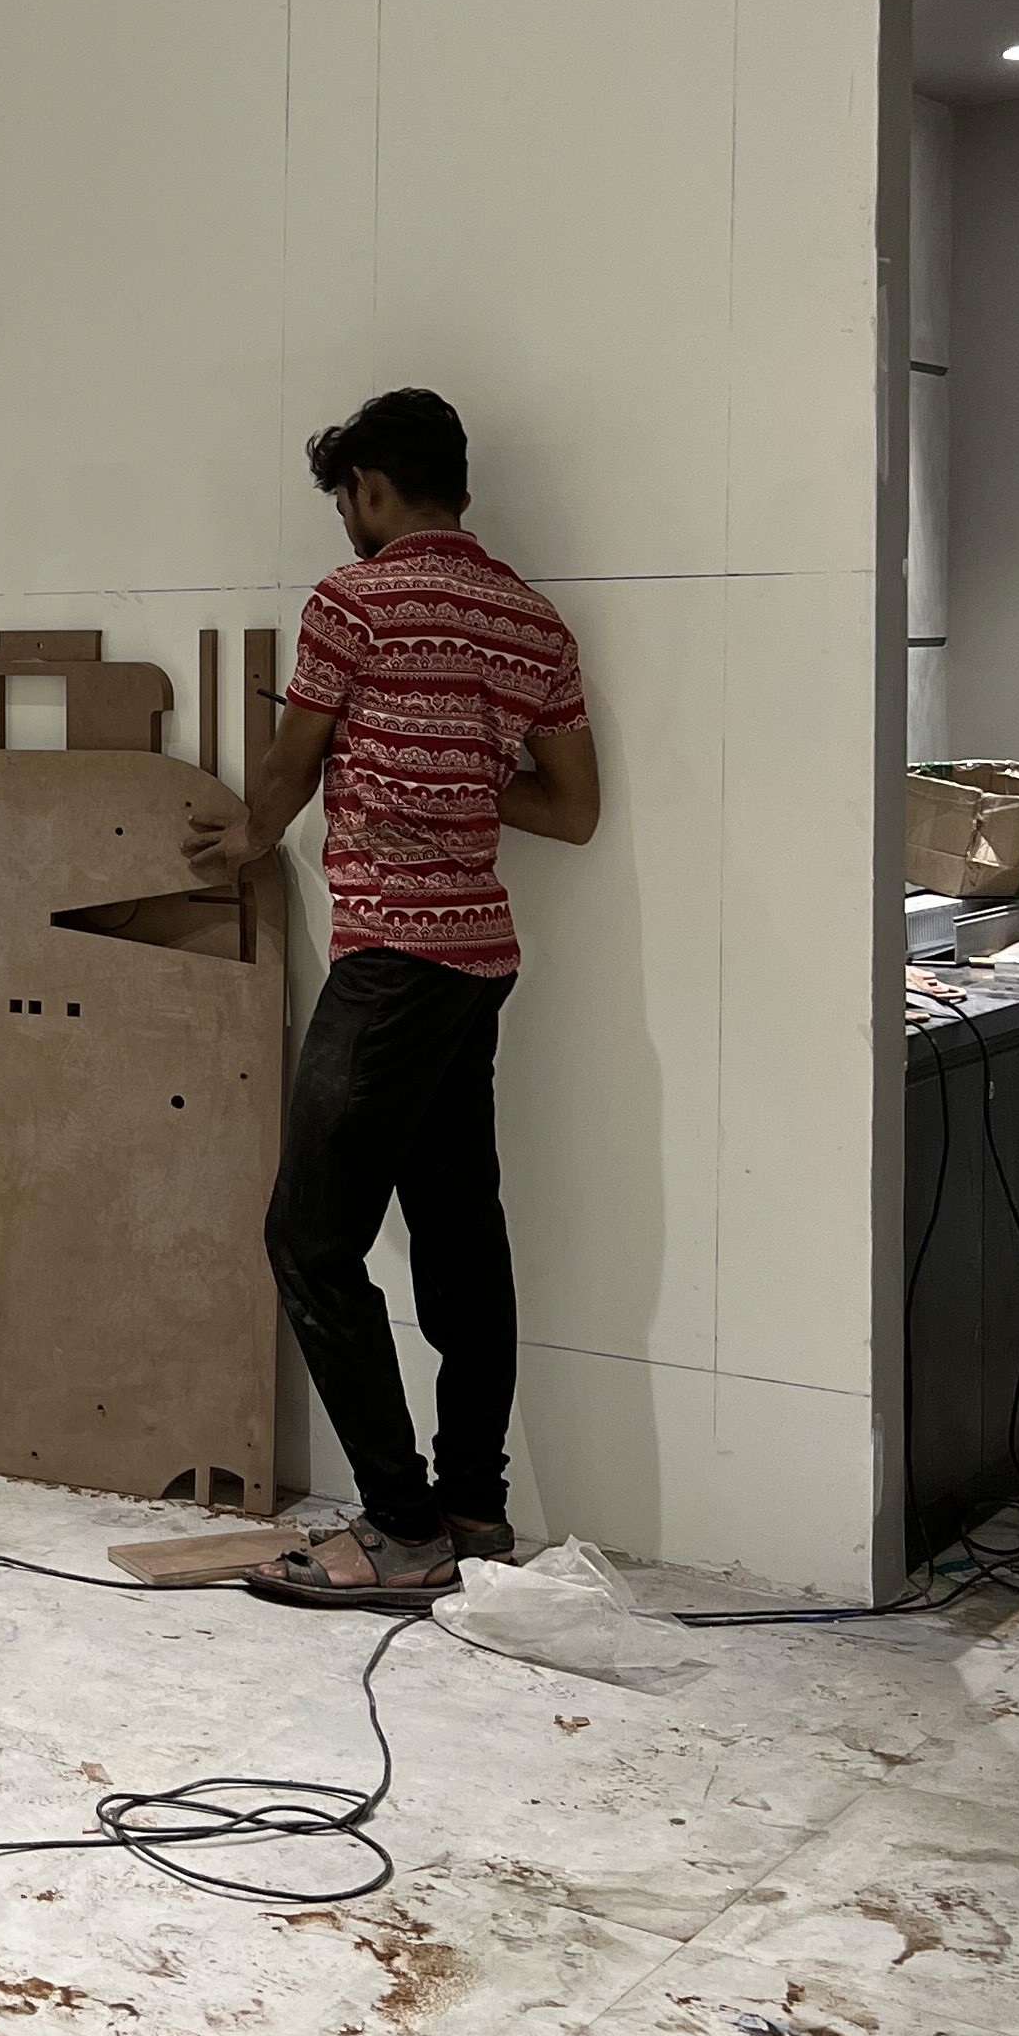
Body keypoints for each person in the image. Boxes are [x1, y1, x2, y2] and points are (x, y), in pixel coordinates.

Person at [185, 389, 598, 1608]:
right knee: (461, 1241)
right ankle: (473, 1512)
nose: (348, 523)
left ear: (370, 486)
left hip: (391, 963)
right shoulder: (531, 622)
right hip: (476, 962)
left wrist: (243, 839)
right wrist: (463, 782)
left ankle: (402, 1530)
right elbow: (573, 808)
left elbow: (290, 763)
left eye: (347, 502)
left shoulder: (351, 601)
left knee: (307, 1239)